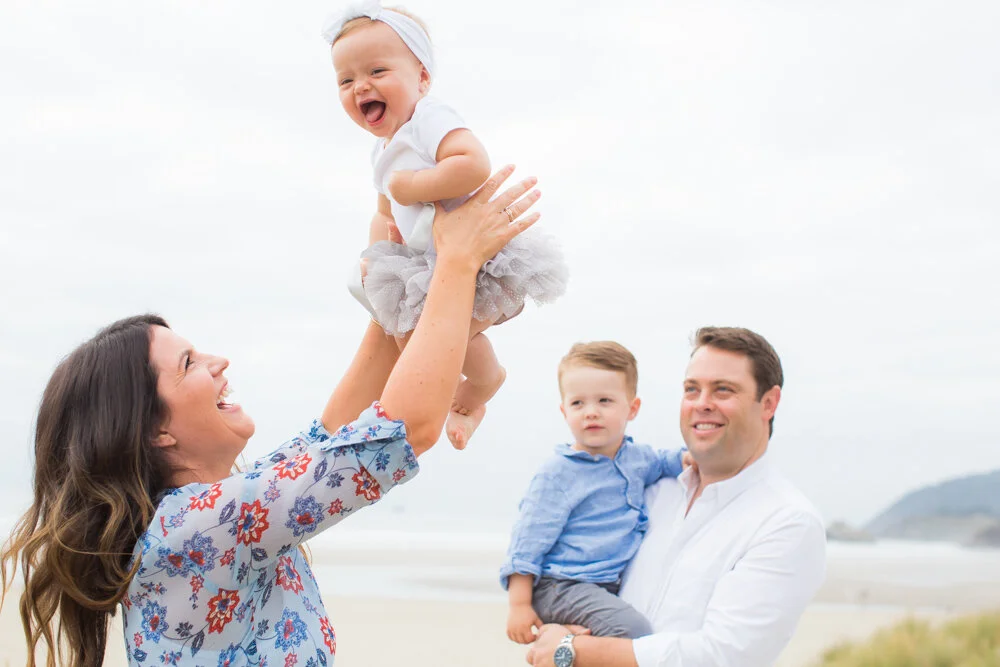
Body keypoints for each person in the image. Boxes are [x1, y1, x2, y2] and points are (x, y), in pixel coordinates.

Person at [0, 167, 539, 667]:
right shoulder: (196, 526)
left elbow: (333, 434)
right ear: (153, 430)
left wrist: (401, 263)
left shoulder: (216, 509)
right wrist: (457, 263)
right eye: (189, 364)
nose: (219, 363)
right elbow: (399, 432)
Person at [322, 2, 569, 449]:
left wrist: (414, 185)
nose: (361, 86)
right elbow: (384, 212)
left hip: (471, 255)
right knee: (412, 342)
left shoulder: (428, 119)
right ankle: (464, 399)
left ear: (422, 78)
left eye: (377, 70)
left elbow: (473, 164)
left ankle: (484, 380)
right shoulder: (382, 152)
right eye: (346, 79)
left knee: (434, 336)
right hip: (423, 263)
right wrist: (379, 257)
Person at [526, 327, 827, 667]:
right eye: (691, 390)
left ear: (768, 403)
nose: (702, 404)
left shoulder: (787, 522)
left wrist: (572, 651)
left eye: (723, 390)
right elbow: (574, 574)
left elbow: (721, 656)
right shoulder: (648, 490)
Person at [501, 342, 687, 644]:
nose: (591, 413)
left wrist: (689, 459)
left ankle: (565, 636)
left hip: (604, 585)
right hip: (561, 585)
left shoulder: (638, 459)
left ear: (633, 408)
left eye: (604, 401)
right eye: (578, 404)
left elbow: (666, 461)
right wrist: (519, 605)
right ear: (564, 411)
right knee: (634, 631)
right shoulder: (558, 472)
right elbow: (527, 543)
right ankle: (562, 640)